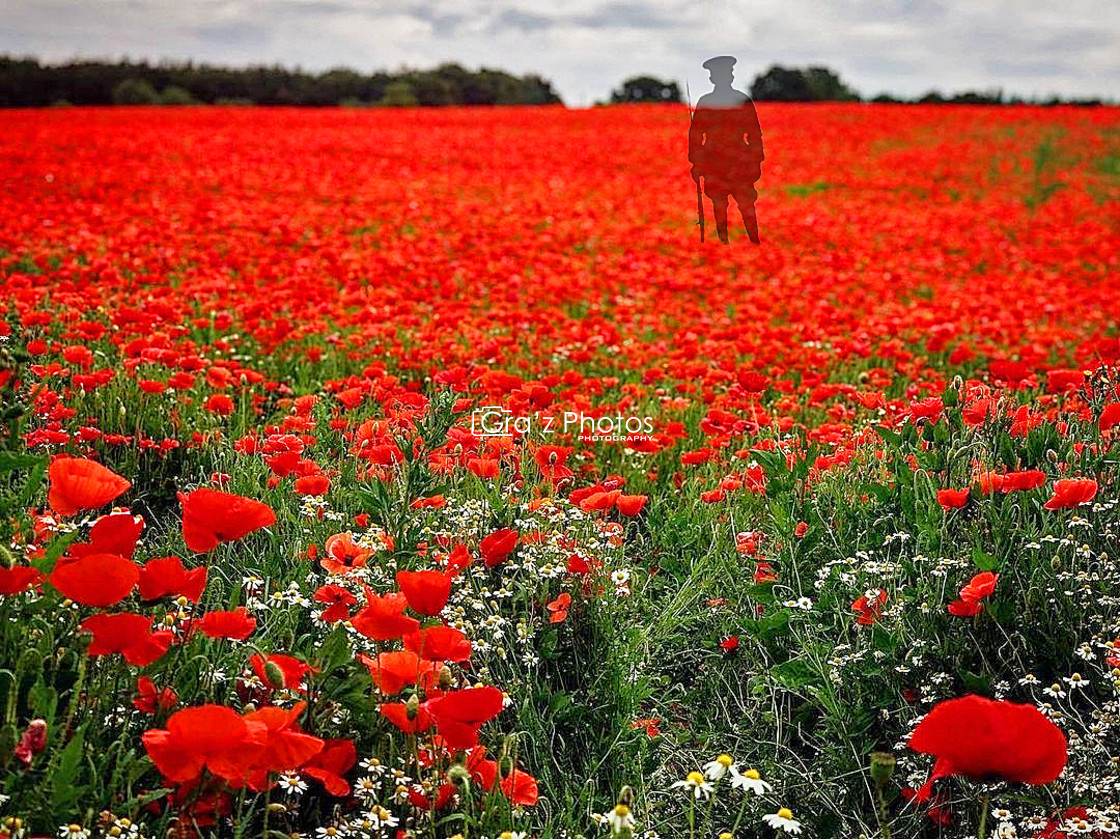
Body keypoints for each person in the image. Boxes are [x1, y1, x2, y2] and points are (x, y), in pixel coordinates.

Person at [689, 56, 764, 244]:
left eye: (728, 74)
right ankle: (725, 244)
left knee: (745, 205)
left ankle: (753, 241)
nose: (726, 77)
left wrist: (755, 162)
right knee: (720, 205)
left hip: (738, 164)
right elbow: (696, 136)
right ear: (713, 79)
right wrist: (696, 163)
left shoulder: (741, 101)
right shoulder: (708, 102)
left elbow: (755, 135)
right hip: (716, 164)